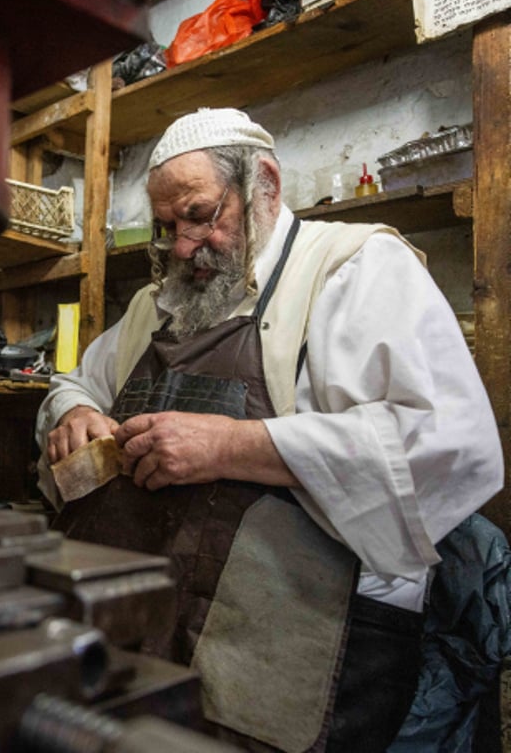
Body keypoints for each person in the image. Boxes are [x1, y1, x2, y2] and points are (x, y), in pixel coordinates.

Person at [35, 108, 503, 753]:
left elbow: (450, 445)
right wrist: (73, 414)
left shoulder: (356, 268)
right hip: (153, 628)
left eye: (200, 216)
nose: (179, 247)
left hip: (300, 645)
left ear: (266, 185)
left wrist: (231, 445)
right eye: (166, 227)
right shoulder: (157, 304)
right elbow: (74, 382)